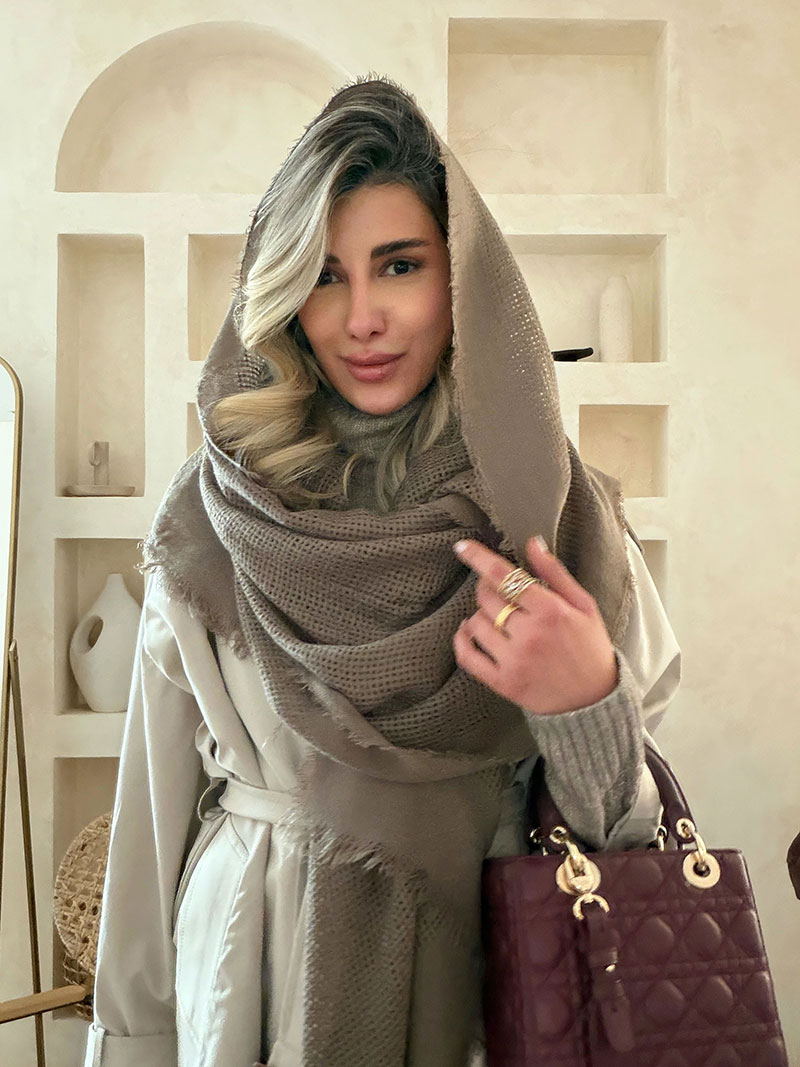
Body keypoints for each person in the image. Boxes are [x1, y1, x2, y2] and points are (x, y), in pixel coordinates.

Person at [83, 77, 681, 1067]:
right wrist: (133, 1041)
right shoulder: (216, 508)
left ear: (462, 278)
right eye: (324, 276)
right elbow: (151, 820)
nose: (361, 316)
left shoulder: (554, 509)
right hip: (254, 977)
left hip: (496, 980)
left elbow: (627, 845)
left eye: (399, 265)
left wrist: (584, 705)